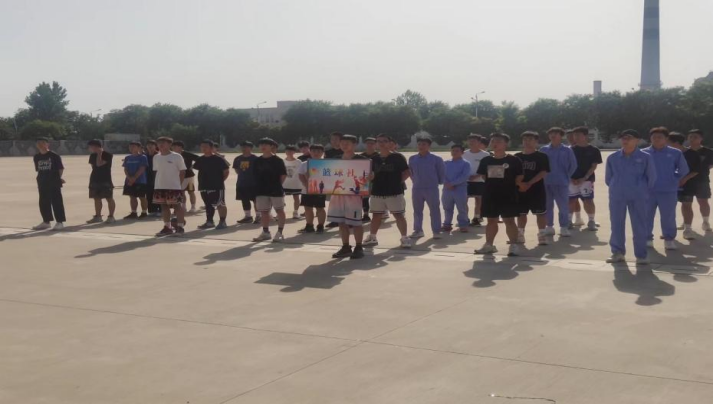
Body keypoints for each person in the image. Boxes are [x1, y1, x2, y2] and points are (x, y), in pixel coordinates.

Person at [605, 130, 657, 264]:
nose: (625, 140)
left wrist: (641, 189)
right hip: (617, 195)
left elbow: (651, 177)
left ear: (637, 140)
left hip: (638, 196)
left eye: (629, 138)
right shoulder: (613, 157)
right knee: (616, 224)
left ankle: (641, 255)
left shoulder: (645, 157)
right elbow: (608, 178)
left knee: (639, 225)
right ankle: (617, 252)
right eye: (623, 138)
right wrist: (617, 186)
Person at [474, 133, 524, 256]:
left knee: (509, 220)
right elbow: (483, 176)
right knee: (491, 220)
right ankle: (489, 245)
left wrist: (509, 185)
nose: (494, 143)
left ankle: (513, 246)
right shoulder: (486, 160)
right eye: (493, 141)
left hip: (508, 194)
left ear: (506, 144)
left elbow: (520, 176)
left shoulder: (513, 160)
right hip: (490, 194)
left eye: (498, 141)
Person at [642, 127, 689, 250]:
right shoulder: (643, 153)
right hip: (647, 191)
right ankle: (647, 238)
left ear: (666, 139)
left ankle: (669, 239)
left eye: (660, 137)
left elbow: (684, 169)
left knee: (668, 216)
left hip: (668, 191)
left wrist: (674, 179)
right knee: (646, 216)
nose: (656, 139)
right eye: (654, 137)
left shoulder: (675, 153)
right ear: (650, 138)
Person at [363, 134, 411, 248]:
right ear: (376, 144)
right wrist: (370, 178)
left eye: (384, 141)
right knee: (376, 215)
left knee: (399, 215)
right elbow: (370, 175)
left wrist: (397, 182)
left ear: (390, 143)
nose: (382, 143)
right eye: (379, 141)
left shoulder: (398, 157)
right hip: (377, 192)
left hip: (394, 192)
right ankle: (372, 237)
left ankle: (404, 238)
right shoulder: (374, 159)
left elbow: (406, 172)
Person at [329, 135, 369, 259]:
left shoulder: (362, 160)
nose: (344, 145)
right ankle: (345, 247)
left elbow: (369, 176)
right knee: (341, 222)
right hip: (337, 194)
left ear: (354, 144)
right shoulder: (335, 159)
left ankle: (359, 247)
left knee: (356, 222)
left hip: (354, 195)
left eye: (347, 143)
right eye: (342, 143)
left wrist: (368, 177)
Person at [540, 127, 577, 237]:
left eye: (556, 133)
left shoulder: (567, 150)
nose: (553, 135)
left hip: (561, 182)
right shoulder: (544, 150)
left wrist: (567, 176)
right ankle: (549, 226)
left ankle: (564, 227)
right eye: (551, 133)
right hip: (546, 182)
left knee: (563, 206)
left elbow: (573, 165)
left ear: (561, 136)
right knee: (547, 206)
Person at [515, 131, 550, 246]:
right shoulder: (517, 157)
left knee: (540, 213)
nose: (527, 142)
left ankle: (542, 234)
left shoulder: (542, 156)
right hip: (520, 190)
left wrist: (529, 183)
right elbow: (512, 173)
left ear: (536, 141)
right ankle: (520, 234)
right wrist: (520, 184)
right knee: (521, 213)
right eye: (525, 139)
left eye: (530, 139)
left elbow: (543, 172)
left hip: (537, 189)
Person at [408, 137, 446, 239]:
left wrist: (438, 182)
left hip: (431, 188)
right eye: (419, 144)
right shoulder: (412, 159)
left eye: (424, 144)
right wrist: (414, 180)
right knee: (417, 210)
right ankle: (418, 230)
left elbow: (441, 172)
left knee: (434, 210)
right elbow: (410, 172)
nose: (421, 146)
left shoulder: (436, 159)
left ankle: (436, 231)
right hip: (417, 188)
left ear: (429, 146)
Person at [252, 138, 288, 242]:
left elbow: (283, 175)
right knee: (264, 212)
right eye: (261, 144)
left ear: (271, 146)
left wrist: (276, 185)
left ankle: (280, 232)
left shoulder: (278, 160)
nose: (263, 146)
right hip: (261, 190)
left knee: (279, 210)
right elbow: (254, 175)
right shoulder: (257, 161)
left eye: (266, 144)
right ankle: (265, 232)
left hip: (275, 189)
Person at [569, 126, 603, 231]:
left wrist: (584, 178)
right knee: (571, 200)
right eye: (574, 135)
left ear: (585, 136)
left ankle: (591, 221)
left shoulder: (594, 150)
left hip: (587, 180)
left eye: (578, 135)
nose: (576, 137)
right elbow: (565, 166)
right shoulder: (569, 150)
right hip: (572, 180)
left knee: (588, 200)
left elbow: (594, 166)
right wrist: (570, 178)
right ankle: (568, 221)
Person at [668, 132, 701, 240]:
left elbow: (697, 170)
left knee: (686, 205)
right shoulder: (667, 153)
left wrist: (685, 179)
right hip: (670, 185)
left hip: (688, 184)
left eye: (668, 142)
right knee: (668, 207)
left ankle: (688, 229)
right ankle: (668, 230)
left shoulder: (692, 154)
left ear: (676, 143)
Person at [153, 137, 187, 236]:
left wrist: (179, 184)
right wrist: (157, 184)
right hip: (159, 186)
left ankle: (180, 227)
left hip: (174, 186)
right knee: (163, 206)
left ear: (170, 144)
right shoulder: (156, 157)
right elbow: (156, 171)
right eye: (159, 143)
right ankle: (167, 227)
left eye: (163, 142)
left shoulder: (177, 156)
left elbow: (182, 171)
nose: (160, 144)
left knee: (177, 206)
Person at [194, 139, 230, 229]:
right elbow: (195, 167)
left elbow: (226, 171)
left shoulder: (218, 159)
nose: (203, 148)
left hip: (217, 186)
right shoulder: (200, 159)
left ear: (211, 148)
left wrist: (220, 181)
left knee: (220, 204)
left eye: (206, 146)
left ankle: (222, 222)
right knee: (208, 204)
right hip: (203, 185)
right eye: (202, 146)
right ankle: (209, 222)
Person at [32, 137, 66, 230]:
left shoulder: (54, 156)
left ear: (47, 144)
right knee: (43, 202)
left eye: (43, 142)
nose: (40, 144)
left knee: (57, 202)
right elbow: (38, 170)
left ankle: (60, 222)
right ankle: (46, 221)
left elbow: (60, 168)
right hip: (42, 182)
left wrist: (58, 178)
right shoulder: (36, 157)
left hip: (54, 182)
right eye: (38, 143)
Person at [440, 144, 471, 233]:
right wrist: (446, 183)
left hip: (460, 189)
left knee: (461, 208)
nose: (454, 152)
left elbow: (464, 176)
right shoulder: (446, 163)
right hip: (447, 189)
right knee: (447, 208)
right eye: (453, 150)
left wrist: (453, 183)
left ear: (462, 152)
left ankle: (463, 225)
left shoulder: (465, 163)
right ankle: (447, 224)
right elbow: (441, 174)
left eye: (457, 151)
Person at [687, 129, 713, 232]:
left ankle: (706, 222)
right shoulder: (684, 151)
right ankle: (686, 222)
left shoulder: (708, 152)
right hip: (686, 181)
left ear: (701, 138)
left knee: (703, 201)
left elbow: (710, 165)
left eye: (695, 137)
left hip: (702, 180)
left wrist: (699, 170)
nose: (692, 139)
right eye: (690, 137)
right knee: (686, 203)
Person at [298, 144, 327, 234]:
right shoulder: (304, 164)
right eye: (314, 151)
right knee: (308, 208)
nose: (316, 153)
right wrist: (306, 185)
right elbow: (300, 175)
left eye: (319, 151)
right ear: (310, 152)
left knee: (320, 208)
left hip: (320, 190)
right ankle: (309, 226)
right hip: (306, 190)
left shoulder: (326, 164)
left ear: (322, 153)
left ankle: (320, 226)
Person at [86, 139, 116, 224]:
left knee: (109, 198)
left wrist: (99, 154)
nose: (90, 148)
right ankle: (98, 216)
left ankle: (111, 216)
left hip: (105, 179)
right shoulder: (92, 155)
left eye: (91, 146)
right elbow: (93, 167)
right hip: (95, 179)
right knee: (96, 198)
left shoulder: (107, 155)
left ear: (96, 146)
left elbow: (99, 164)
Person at [463, 134, 490, 226]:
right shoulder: (464, 153)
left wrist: (477, 176)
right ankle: (464, 218)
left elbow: (487, 169)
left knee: (479, 200)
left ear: (479, 142)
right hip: (465, 181)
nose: (471, 142)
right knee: (464, 200)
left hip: (480, 181)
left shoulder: (485, 155)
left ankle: (477, 218)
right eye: (470, 141)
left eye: (474, 141)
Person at [234, 141, 259, 224]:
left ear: (251, 148)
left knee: (256, 200)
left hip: (254, 183)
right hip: (241, 183)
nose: (243, 148)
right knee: (244, 200)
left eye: (246, 147)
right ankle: (248, 216)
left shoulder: (256, 159)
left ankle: (258, 216)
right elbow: (237, 170)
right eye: (242, 147)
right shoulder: (238, 159)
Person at [122, 141, 149, 219]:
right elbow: (125, 169)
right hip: (129, 181)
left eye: (133, 146)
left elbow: (142, 169)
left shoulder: (143, 157)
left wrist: (134, 178)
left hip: (140, 181)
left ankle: (144, 212)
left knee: (142, 197)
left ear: (139, 148)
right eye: (130, 146)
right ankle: (133, 212)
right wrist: (129, 178)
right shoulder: (127, 157)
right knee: (132, 197)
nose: (131, 148)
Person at [171, 141, 199, 213]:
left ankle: (193, 207)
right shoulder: (172, 155)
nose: (173, 148)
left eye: (175, 146)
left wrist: (193, 166)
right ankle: (183, 206)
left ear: (180, 147)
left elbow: (199, 159)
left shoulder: (187, 154)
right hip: (178, 177)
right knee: (181, 192)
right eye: (172, 147)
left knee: (191, 191)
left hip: (189, 177)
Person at [324, 132, 344, 229]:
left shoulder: (345, 151)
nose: (334, 141)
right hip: (332, 179)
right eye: (332, 139)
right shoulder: (328, 152)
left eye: (336, 139)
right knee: (333, 201)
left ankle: (347, 219)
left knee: (345, 201)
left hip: (344, 179)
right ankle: (334, 220)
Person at [360, 137, 379, 223]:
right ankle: (366, 214)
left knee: (376, 198)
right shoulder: (361, 156)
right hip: (364, 180)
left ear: (375, 145)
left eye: (372, 143)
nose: (370, 145)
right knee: (364, 198)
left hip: (377, 180)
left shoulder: (379, 156)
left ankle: (379, 213)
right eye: (368, 143)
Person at [282, 145, 303, 219]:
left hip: (296, 184)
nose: (289, 152)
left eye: (291, 151)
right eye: (287, 150)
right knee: (281, 198)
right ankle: (280, 213)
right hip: (284, 184)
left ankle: (295, 212)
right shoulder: (282, 161)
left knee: (296, 198)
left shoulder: (298, 162)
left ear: (294, 152)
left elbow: (302, 172)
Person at [144, 140, 161, 217]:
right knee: (149, 194)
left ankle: (160, 210)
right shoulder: (144, 156)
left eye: (152, 145)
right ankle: (152, 210)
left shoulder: (159, 155)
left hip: (158, 176)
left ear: (155, 146)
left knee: (158, 193)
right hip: (147, 177)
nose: (150, 146)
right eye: (148, 145)